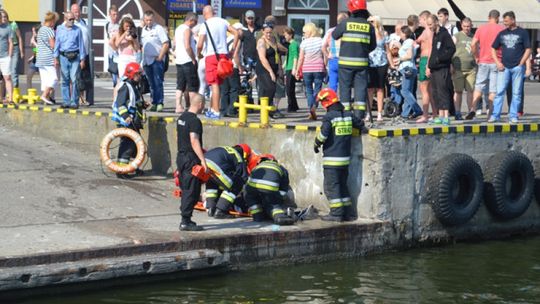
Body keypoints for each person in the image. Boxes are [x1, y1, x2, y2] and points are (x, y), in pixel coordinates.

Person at [314, 88, 363, 222]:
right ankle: (347, 213)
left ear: (326, 102)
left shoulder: (329, 117)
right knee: (342, 185)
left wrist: (316, 144)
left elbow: (323, 135)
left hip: (331, 160)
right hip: (345, 160)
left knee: (332, 187)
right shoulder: (348, 114)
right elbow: (360, 124)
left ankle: (336, 214)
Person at [332, 0, 376, 120]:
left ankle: (345, 116)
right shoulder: (369, 26)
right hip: (362, 64)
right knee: (360, 90)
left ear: (351, 9)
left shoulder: (345, 23)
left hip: (345, 64)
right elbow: (373, 46)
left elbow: (334, 35)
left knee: (345, 89)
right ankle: (358, 117)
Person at [197, 5, 239, 119]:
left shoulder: (204, 25)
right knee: (218, 85)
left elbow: (200, 44)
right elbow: (236, 33)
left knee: (213, 84)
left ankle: (215, 111)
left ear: (205, 14)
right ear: (213, 12)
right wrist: (232, 50)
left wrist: (199, 54)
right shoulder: (223, 21)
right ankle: (212, 109)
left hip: (211, 56)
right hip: (224, 56)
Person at [490, 11, 531, 123]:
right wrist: (497, 62)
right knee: (499, 92)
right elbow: (493, 48)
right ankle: (495, 115)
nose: (505, 23)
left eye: (507, 21)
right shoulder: (502, 33)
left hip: (517, 67)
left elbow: (528, 49)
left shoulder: (523, 33)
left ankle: (513, 115)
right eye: (504, 21)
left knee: (516, 93)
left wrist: (522, 63)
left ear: (513, 20)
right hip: (504, 67)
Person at [111, 62, 149, 179]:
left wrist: (142, 104)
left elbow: (134, 102)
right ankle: (121, 170)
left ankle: (133, 167)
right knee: (127, 145)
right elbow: (121, 104)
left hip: (134, 122)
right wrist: (126, 116)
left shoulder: (134, 86)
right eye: (138, 74)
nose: (140, 76)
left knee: (135, 146)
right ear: (131, 74)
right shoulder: (125, 86)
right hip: (127, 122)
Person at [465, 10, 504, 120]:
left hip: (483, 61)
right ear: (498, 18)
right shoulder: (501, 29)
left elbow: (473, 44)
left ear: (488, 17)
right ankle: (490, 114)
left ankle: (473, 108)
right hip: (496, 61)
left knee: (479, 87)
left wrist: (476, 56)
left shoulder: (481, 28)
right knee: (493, 90)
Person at [176, 93, 206, 231]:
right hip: (190, 158)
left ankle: (186, 217)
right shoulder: (195, 121)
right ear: (200, 104)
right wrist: (202, 160)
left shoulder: (181, 118)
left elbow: (178, 137)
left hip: (181, 156)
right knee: (192, 189)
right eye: (204, 104)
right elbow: (194, 140)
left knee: (185, 186)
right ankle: (185, 220)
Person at [244, 154, 294, 226]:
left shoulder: (256, 167)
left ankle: (257, 215)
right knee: (273, 202)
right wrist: (280, 200)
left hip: (252, 188)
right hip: (270, 189)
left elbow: (248, 185)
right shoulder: (281, 167)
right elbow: (284, 189)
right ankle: (279, 217)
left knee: (250, 195)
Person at [204, 144, 251, 219]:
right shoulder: (237, 155)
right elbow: (243, 176)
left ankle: (211, 209)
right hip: (216, 166)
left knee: (212, 183)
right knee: (236, 185)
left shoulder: (225, 149)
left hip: (204, 163)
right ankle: (220, 211)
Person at [427, 13, 456, 125]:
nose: (429, 27)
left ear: (435, 22)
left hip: (442, 68)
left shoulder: (444, 34)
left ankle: (446, 115)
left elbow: (452, 49)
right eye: (428, 25)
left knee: (443, 90)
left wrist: (440, 59)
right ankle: (439, 114)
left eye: (430, 24)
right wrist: (430, 65)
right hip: (434, 68)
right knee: (435, 92)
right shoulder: (435, 34)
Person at [54, 11, 85, 109]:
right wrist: (55, 57)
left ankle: (74, 102)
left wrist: (82, 59)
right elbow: (57, 44)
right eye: (70, 19)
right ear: (65, 19)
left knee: (74, 79)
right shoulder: (59, 29)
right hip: (63, 57)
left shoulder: (78, 30)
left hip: (75, 56)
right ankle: (66, 101)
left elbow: (81, 45)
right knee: (64, 80)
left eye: (73, 19)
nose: (72, 21)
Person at [141, 10, 170, 112]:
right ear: (144, 20)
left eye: (150, 20)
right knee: (151, 83)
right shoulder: (143, 30)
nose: (148, 22)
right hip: (146, 60)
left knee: (158, 82)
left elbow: (165, 44)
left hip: (156, 59)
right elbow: (142, 46)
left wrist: (160, 57)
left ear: (154, 19)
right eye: (147, 20)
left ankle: (160, 103)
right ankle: (154, 102)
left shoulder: (158, 29)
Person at [296, 22, 326, 120]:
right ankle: (314, 107)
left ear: (309, 32)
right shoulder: (321, 41)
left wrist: (297, 70)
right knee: (317, 89)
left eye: (304, 32)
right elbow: (325, 55)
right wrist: (325, 65)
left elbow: (301, 58)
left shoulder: (304, 43)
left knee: (309, 90)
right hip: (318, 68)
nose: (303, 34)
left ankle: (310, 110)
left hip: (307, 69)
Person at [173, 12, 199, 114]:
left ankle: (178, 106)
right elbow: (187, 46)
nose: (195, 24)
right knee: (192, 85)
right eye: (195, 22)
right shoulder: (187, 30)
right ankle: (193, 107)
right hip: (187, 60)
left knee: (180, 85)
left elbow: (175, 43)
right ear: (191, 20)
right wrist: (193, 58)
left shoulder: (178, 28)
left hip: (179, 60)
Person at [452, 17, 476, 120]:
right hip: (458, 68)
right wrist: (451, 65)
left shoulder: (473, 36)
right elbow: (450, 51)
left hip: (471, 68)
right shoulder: (456, 36)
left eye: (468, 27)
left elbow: (477, 50)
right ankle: (457, 112)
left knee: (471, 91)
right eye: (465, 26)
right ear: (461, 26)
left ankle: (471, 112)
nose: (467, 29)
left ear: (471, 26)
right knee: (458, 91)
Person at [367, 15, 389, 122]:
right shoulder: (367, 34)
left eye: (372, 21)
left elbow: (387, 51)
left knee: (380, 88)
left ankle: (380, 113)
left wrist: (392, 65)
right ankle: (369, 112)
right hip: (370, 63)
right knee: (370, 89)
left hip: (382, 62)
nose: (370, 23)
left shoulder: (384, 34)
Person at [415, 10, 435, 123]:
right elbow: (418, 41)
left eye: (420, 20)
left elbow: (431, 47)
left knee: (424, 89)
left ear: (425, 19)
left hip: (425, 60)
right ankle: (435, 113)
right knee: (430, 90)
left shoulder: (427, 31)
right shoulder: (428, 32)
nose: (419, 22)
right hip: (426, 60)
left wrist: (427, 65)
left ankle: (425, 115)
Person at [220, 22, 243, 118]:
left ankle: (224, 110)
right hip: (233, 66)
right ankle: (231, 110)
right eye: (241, 30)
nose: (242, 32)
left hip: (224, 66)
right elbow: (236, 54)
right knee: (234, 88)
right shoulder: (237, 40)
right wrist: (240, 67)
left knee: (225, 89)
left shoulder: (226, 39)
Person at [71, 3, 93, 106]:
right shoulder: (71, 23)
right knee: (76, 77)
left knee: (84, 77)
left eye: (78, 11)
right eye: (75, 11)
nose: (77, 13)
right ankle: (77, 98)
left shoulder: (83, 22)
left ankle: (82, 98)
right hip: (77, 54)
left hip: (86, 53)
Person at [322, 12, 349, 93]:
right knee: (344, 84)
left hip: (333, 60)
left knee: (332, 85)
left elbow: (323, 47)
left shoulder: (330, 31)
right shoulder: (348, 31)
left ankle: (333, 103)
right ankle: (344, 103)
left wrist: (328, 56)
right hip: (345, 60)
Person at [257, 23, 280, 113]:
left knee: (273, 89)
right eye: (267, 32)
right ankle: (264, 109)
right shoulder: (261, 41)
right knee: (270, 88)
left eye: (270, 32)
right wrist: (270, 71)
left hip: (273, 67)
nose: (269, 35)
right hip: (263, 69)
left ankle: (268, 110)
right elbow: (262, 58)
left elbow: (276, 53)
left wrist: (279, 69)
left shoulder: (273, 39)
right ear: (263, 31)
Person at [36, 11, 58, 105]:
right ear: (52, 21)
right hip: (48, 57)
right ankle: (44, 95)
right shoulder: (49, 30)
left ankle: (46, 99)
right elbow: (53, 45)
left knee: (45, 80)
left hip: (40, 58)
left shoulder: (40, 29)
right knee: (54, 79)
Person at [283, 27, 299, 112]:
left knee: (289, 88)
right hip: (288, 67)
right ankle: (294, 105)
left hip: (291, 68)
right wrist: (283, 66)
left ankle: (291, 106)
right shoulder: (290, 45)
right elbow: (288, 57)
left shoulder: (293, 44)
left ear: (290, 35)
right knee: (290, 88)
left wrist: (294, 68)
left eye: (285, 34)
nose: (284, 36)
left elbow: (295, 57)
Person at [0, 9, 14, 104]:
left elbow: (11, 42)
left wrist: (9, 55)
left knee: (7, 77)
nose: (3, 18)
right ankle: (0, 98)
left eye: (5, 16)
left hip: (5, 57)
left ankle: (11, 99)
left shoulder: (9, 28)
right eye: (2, 16)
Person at [7, 13, 22, 90]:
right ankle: (5, 93)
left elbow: (19, 37)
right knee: (6, 72)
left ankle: (15, 90)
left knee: (13, 70)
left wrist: (21, 51)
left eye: (5, 17)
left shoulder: (13, 25)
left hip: (15, 48)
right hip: (5, 49)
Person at [105, 5, 120, 87]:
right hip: (111, 52)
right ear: (109, 14)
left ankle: (118, 90)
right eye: (113, 14)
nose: (115, 16)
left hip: (119, 52)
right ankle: (115, 87)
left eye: (117, 14)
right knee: (113, 72)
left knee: (119, 74)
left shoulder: (120, 25)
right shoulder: (107, 25)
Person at [27, 25, 40, 91]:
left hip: (42, 62)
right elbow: (35, 50)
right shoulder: (35, 39)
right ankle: (29, 93)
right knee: (29, 76)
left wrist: (34, 43)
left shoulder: (43, 38)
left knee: (44, 79)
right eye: (33, 32)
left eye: (34, 32)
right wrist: (32, 57)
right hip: (35, 61)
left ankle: (47, 96)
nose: (34, 33)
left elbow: (40, 49)